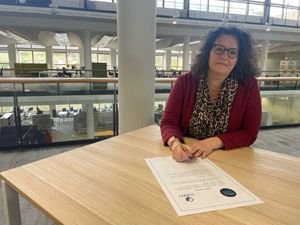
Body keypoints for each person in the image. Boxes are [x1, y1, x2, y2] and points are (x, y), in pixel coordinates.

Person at [160, 26, 261, 162]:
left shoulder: (249, 86)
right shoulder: (185, 82)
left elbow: (249, 133)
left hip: (228, 158)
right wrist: (174, 143)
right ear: (209, 51)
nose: (224, 56)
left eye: (232, 52)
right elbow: (168, 122)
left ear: (239, 58)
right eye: (219, 49)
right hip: (189, 156)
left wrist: (212, 142)